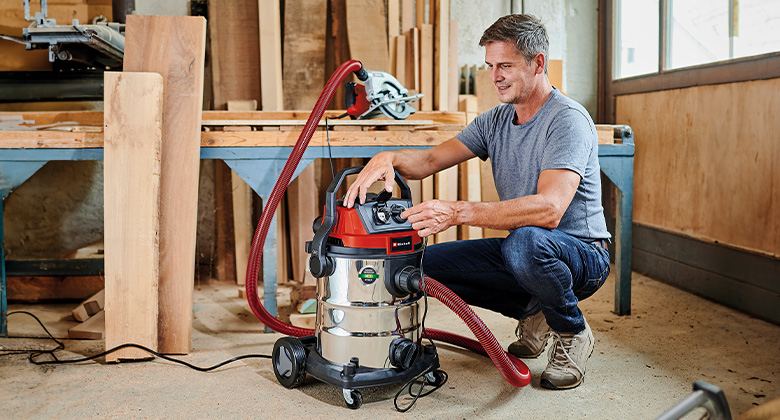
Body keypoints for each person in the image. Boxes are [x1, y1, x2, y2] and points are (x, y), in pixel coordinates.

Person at [344, 14, 611, 390]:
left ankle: (571, 330)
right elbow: (429, 161)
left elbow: (550, 209)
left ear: (538, 63)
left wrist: (457, 211)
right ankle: (537, 311)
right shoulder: (495, 122)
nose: (494, 76)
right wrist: (390, 157)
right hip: (527, 250)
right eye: (490, 66)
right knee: (418, 265)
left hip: (583, 254)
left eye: (505, 66)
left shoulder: (567, 120)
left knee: (524, 243)